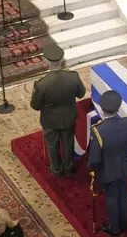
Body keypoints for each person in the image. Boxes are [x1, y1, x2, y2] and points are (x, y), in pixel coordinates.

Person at [88, 91, 127, 236]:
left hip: (108, 171)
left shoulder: (98, 131)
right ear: (118, 108)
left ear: (102, 109)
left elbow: (94, 159)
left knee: (112, 199)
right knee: (124, 195)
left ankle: (115, 228)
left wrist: (92, 171)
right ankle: (124, 223)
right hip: (125, 167)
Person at [30, 44, 86, 177]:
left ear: (46, 62)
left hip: (50, 120)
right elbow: (81, 94)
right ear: (62, 60)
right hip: (69, 117)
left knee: (52, 144)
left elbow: (36, 106)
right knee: (68, 142)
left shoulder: (41, 84)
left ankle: (56, 169)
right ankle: (68, 167)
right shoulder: (73, 77)